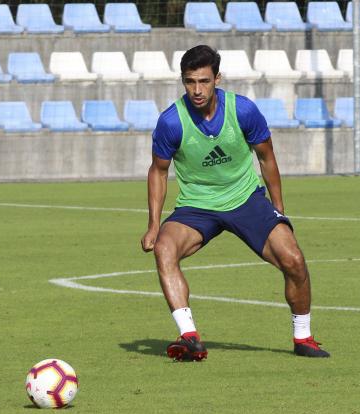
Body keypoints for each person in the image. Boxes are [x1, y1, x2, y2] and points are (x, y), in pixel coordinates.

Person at [140, 45, 329, 362]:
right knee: (164, 249)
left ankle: (303, 337)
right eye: (190, 82)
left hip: (246, 199)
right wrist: (154, 225)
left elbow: (267, 158)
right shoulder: (172, 121)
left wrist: (279, 209)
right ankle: (189, 336)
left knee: (294, 260)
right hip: (197, 206)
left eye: (203, 81)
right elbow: (158, 171)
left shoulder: (242, 110)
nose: (197, 90)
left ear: (217, 78)